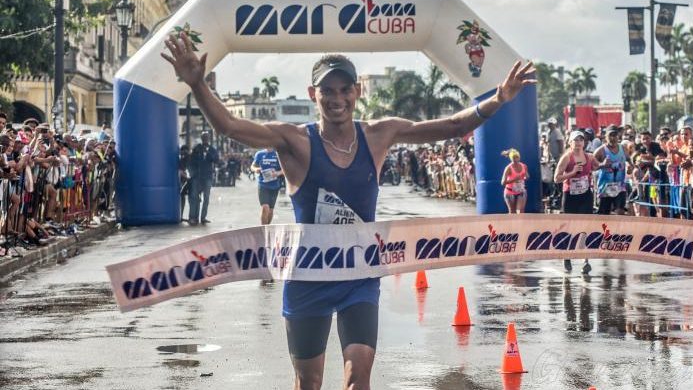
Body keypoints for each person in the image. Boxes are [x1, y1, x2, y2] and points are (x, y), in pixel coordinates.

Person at [162, 31, 535, 390]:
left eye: (344, 89)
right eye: (327, 91)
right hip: (308, 278)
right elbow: (229, 126)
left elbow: (452, 126)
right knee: (308, 383)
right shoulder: (294, 140)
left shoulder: (378, 134)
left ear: (356, 92)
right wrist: (198, 84)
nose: (336, 98)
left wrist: (499, 98)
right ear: (313, 94)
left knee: (359, 381)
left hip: (360, 277)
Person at [554, 130, 599, 273]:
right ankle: (567, 257)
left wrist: (605, 165)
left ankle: (585, 260)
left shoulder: (589, 157)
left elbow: (598, 165)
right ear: (570, 142)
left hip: (585, 195)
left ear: (584, 142)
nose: (579, 143)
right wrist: (572, 173)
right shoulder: (566, 158)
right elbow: (556, 178)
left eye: (581, 140)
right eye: (576, 140)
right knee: (570, 227)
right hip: (570, 196)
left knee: (585, 227)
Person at [594, 125, 628, 215]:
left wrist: (631, 167)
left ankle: (618, 229)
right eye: (610, 135)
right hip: (605, 188)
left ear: (618, 136)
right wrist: (602, 165)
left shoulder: (623, 149)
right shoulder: (600, 151)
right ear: (606, 137)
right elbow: (591, 167)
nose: (613, 138)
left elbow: (629, 161)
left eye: (615, 135)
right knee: (604, 215)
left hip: (620, 187)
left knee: (620, 212)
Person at [187, 131, 218, 225]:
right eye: (204, 137)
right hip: (197, 177)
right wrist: (193, 173)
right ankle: (193, 217)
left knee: (206, 198)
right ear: (201, 138)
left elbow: (216, 160)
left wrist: (209, 153)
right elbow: (191, 162)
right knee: (194, 197)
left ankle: (203, 217)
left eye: (207, 137)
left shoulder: (212, 149)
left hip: (207, 177)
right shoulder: (196, 149)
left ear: (209, 139)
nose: (205, 139)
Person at [251, 148, 283, 225]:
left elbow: (285, 170)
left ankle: (267, 227)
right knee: (265, 208)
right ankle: (263, 230)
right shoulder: (259, 154)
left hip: (274, 186)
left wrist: (277, 173)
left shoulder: (278, 154)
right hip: (263, 185)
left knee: (270, 210)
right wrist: (256, 169)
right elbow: (252, 166)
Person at [501, 148, 528, 214]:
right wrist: (514, 179)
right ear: (511, 159)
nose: (516, 159)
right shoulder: (508, 168)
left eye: (517, 157)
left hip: (520, 191)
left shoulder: (524, 166)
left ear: (519, 157)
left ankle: (521, 224)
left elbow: (526, 176)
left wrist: (523, 178)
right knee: (512, 212)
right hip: (510, 192)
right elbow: (503, 182)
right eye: (514, 158)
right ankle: (512, 224)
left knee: (520, 211)